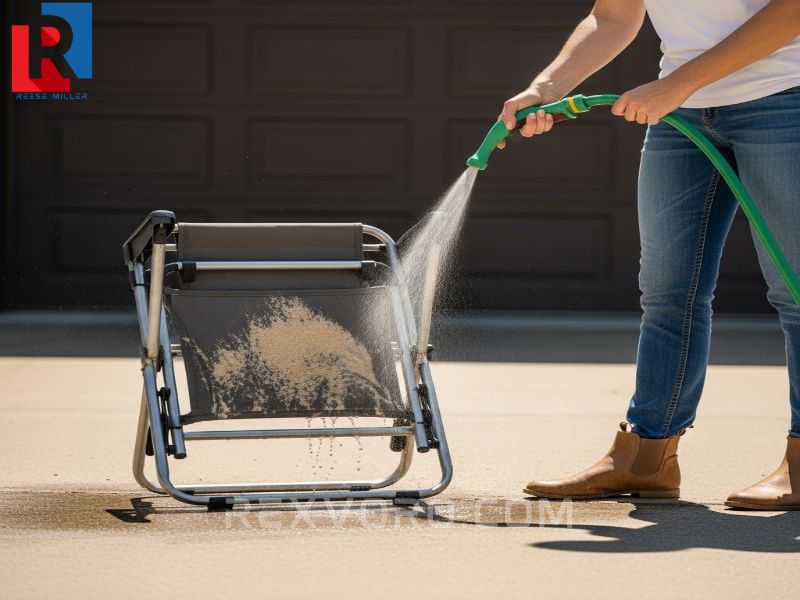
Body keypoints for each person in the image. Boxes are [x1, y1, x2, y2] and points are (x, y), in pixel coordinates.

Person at [504, 0, 800, 510]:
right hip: (679, 113)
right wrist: (547, 86)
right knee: (668, 294)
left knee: (794, 291)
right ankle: (645, 458)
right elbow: (614, 15)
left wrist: (676, 84)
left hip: (781, 101)